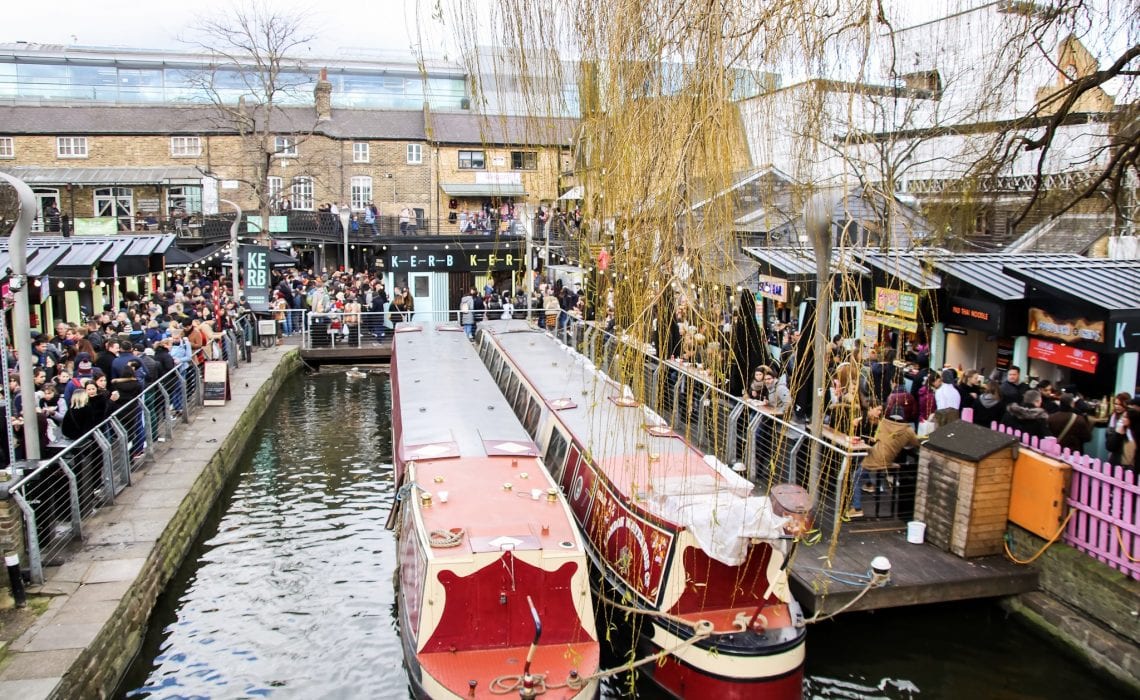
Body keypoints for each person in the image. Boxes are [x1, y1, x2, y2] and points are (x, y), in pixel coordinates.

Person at [1105, 392, 1132, 464]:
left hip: (1123, 455)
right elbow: (1107, 435)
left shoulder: (1129, 419)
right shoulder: (1112, 417)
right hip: (1112, 452)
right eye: (1116, 404)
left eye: (1120, 404)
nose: (1117, 406)